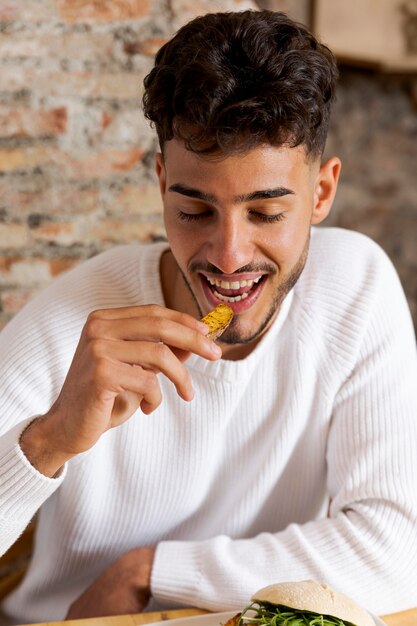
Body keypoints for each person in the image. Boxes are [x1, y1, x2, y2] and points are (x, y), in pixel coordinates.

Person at [0, 9, 416, 624]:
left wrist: (151, 573)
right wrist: (50, 439)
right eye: (195, 211)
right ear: (163, 180)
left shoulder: (356, 287)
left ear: (322, 192)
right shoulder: (75, 316)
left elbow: (398, 552)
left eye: (266, 213)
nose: (229, 256)